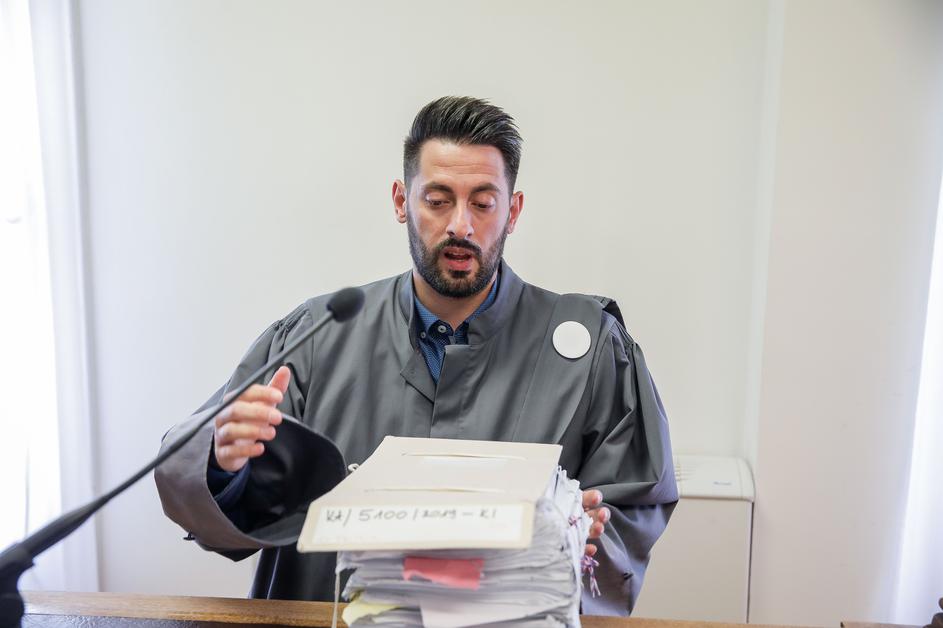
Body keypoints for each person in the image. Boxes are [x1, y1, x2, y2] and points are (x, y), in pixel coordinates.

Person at [155, 96, 678, 616]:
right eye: (438, 200)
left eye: (482, 202)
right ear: (402, 201)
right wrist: (224, 463)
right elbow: (208, 468)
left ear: (513, 211)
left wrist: (580, 541)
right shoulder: (316, 335)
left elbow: (629, 513)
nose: (460, 226)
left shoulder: (593, 348)